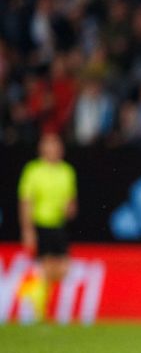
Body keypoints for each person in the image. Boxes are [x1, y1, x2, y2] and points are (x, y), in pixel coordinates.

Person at [17, 133, 78, 320]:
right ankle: (39, 307)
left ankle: (32, 291)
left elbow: (72, 203)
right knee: (45, 266)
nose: (55, 149)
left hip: (59, 226)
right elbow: (26, 202)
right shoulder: (33, 170)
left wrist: (70, 208)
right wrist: (27, 230)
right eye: (50, 145)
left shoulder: (67, 171)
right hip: (41, 224)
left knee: (64, 269)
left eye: (57, 145)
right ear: (42, 148)